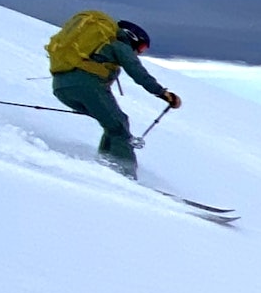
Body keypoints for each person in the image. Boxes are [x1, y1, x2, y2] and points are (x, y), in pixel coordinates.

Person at [51, 19, 181, 179]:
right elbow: (137, 72)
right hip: (87, 87)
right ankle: (125, 176)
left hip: (61, 87)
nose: (139, 52)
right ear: (132, 37)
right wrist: (163, 93)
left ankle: (106, 165)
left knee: (112, 125)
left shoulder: (99, 46)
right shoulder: (119, 45)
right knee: (119, 127)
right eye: (141, 47)